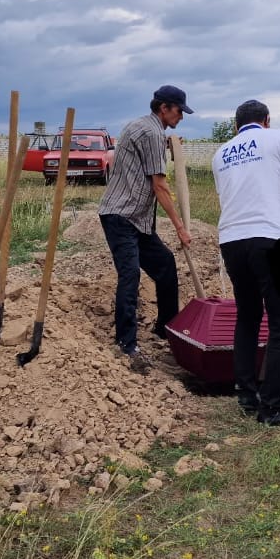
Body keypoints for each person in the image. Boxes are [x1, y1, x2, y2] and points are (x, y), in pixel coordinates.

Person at [212, 100, 280, 425]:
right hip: (272, 241)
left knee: (248, 315)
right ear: (266, 120)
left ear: (235, 125)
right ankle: (271, 407)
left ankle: (246, 392)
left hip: (232, 241)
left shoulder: (220, 153)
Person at [98, 85, 194, 368]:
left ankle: (165, 328)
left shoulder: (144, 127)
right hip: (121, 216)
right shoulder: (151, 133)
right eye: (179, 111)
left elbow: (144, 153)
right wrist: (180, 227)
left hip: (137, 219)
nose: (181, 117)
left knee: (165, 264)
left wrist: (168, 146)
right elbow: (160, 186)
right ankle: (126, 344)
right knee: (130, 275)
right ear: (164, 108)